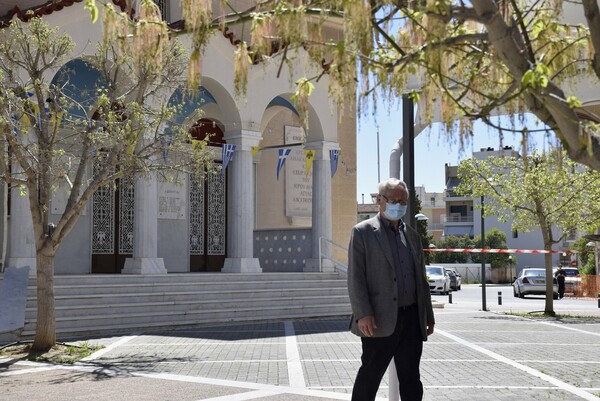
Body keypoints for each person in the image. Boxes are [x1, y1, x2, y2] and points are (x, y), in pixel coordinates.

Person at [347, 178, 435, 401]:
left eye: (402, 200)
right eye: (393, 199)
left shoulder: (412, 236)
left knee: (411, 380)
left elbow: (420, 279)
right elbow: (356, 277)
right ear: (379, 200)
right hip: (377, 320)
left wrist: (428, 315)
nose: (398, 204)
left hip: (412, 320)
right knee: (369, 377)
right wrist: (362, 314)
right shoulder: (363, 232)